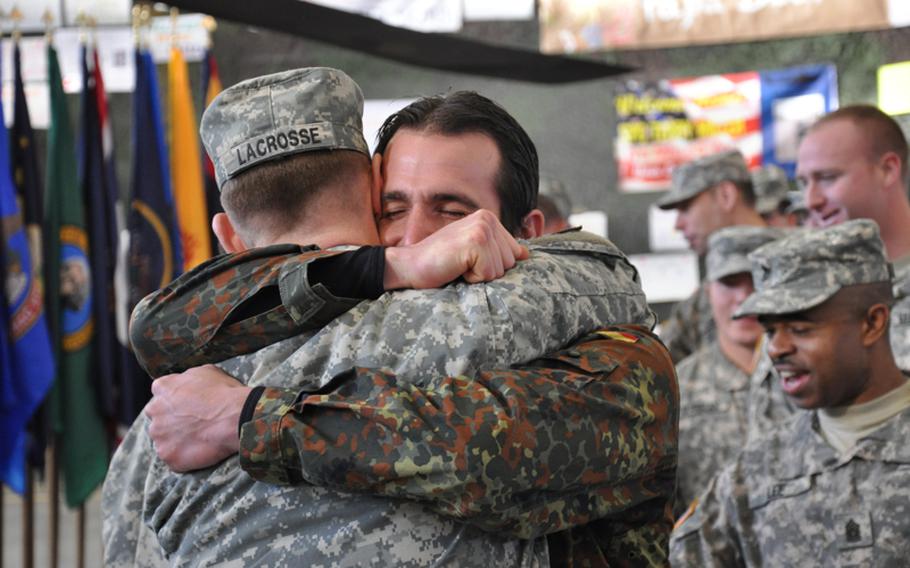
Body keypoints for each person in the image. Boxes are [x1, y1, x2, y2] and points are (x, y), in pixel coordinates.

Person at [104, 69, 677, 567]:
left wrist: (246, 417)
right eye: (392, 210)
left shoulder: (617, 358)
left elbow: (480, 445)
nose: (415, 238)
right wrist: (388, 267)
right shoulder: (184, 399)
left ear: (526, 234)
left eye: (452, 212)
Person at [670, 219, 910, 567]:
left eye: (800, 329)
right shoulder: (751, 475)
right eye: (770, 331)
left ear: (872, 323)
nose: (776, 349)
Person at [748, 105, 910, 438]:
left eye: (828, 178)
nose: (811, 199)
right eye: (804, 182)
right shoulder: (791, 294)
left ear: (888, 169)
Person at [674, 225, 782, 516]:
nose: (743, 297)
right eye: (729, 283)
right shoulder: (679, 387)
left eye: (757, 280)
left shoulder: (807, 376)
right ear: (708, 291)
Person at [655, 150, 766, 362]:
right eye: (730, 282)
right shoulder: (700, 302)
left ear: (726, 195)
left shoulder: (805, 266)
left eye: (686, 208)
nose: (678, 225)